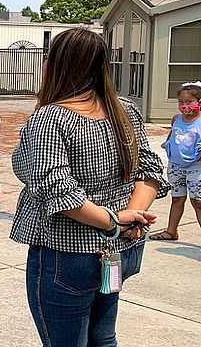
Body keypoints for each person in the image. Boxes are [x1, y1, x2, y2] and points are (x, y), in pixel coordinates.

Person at [11, 28, 168, 346]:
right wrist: (132, 215)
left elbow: (59, 191)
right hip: (119, 250)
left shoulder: (51, 118)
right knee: (104, 339)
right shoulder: (124, 111)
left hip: (67, 255)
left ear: (55, 64)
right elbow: (150, 172)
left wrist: (115, 221)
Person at [151, 82, 201, 241]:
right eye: (181, 102)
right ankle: (171, 231)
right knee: (177, 198)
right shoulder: (176, 119)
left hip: (196, 167)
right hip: (175, 166)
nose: (184, 105)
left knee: (198, 202)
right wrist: (167, 143)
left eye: (189, 102)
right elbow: (173, 134)